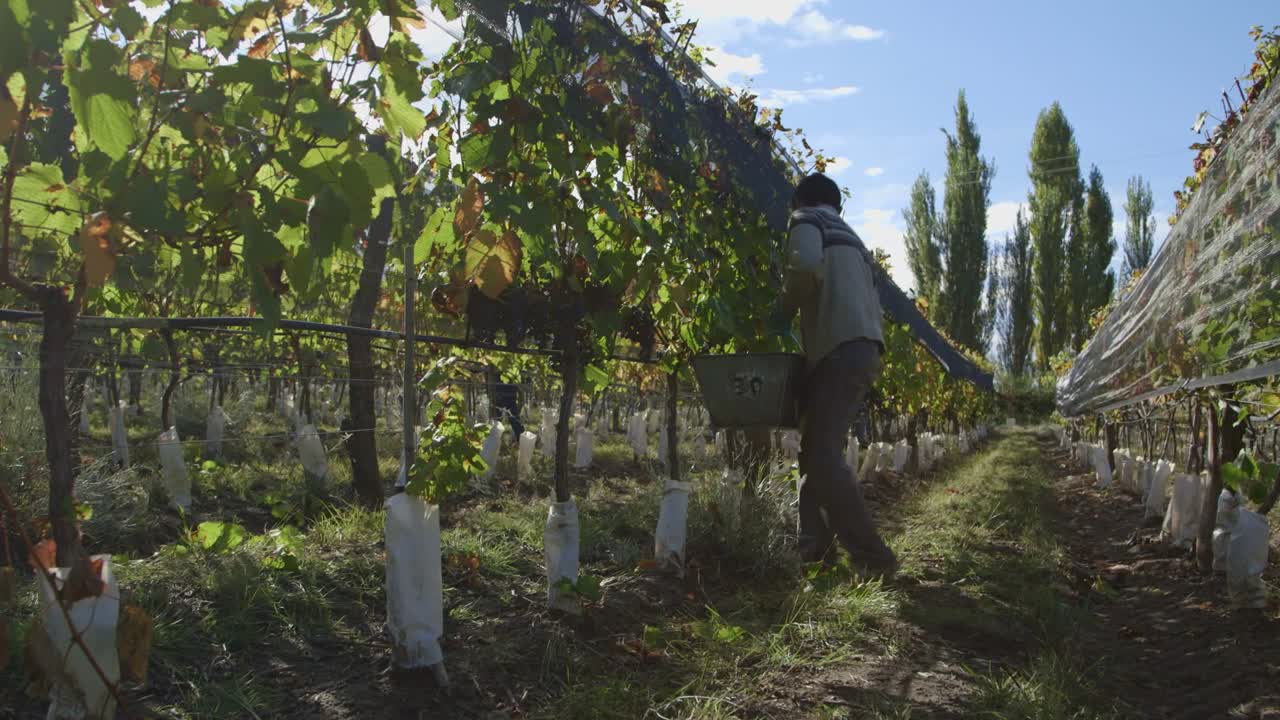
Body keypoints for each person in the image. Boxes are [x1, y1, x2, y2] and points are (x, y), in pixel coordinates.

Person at [773, 173, 897, 575]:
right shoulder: (854, 240)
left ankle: (873, 557)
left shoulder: (807, 219)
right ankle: (814, 547)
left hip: (839, 347)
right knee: (812, 451)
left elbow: (805, 265)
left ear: (798, 200)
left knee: (823, 455)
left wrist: (782, 310)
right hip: (861, 345)